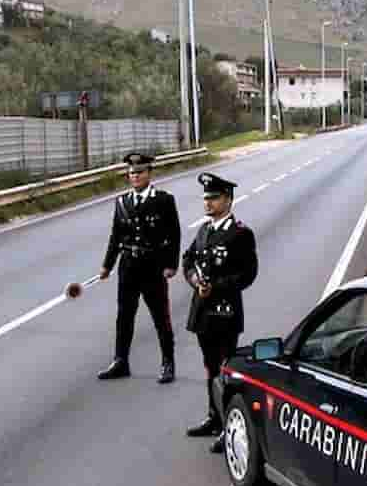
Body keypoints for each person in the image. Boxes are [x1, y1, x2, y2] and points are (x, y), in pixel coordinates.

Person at [183, 171, 258, 453]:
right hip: (202, 312)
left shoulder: (240, 233)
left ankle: (229, 426)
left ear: (228, 199)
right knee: (210, 368)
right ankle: (214, 418)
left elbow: (248, 274)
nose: (208, 203)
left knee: (225, 371)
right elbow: (188, 260)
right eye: (205, 198)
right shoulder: (204, 231)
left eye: (213, 198)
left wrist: (215, 286)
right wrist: (194, 280)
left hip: (225, 313)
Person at [98, 152, 181, 383]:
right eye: (132, 173)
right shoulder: (122, 202)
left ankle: (167, 363)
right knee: (124, 316)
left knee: (160, 317)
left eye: (140, 172)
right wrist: (107, 265)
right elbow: (115, 235)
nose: (135, 176)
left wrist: (171, 264)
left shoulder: (163, 200)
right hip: (128, 267)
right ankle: (120, 361)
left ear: (149, 173)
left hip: (152, 266)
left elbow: (174, 234)